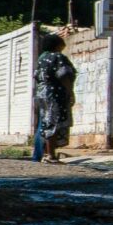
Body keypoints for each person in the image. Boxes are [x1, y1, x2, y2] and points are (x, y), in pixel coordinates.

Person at [33, 30, 75, 162]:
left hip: (42, 94)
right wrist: (70, 92)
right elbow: (64, 75)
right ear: (57, 44)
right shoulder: (58, 57)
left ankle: (47, 154)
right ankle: (51, 154)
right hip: (55, 94)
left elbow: (36, 76)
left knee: (46, 122)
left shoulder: (42, 59)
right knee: (55, 122)